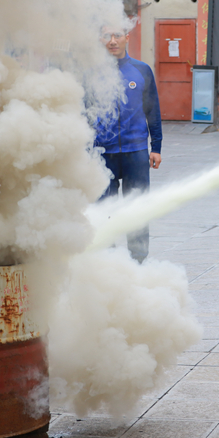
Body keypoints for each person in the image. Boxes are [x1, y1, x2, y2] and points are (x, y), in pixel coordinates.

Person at [92, 26, 163, 263]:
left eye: (117, 36)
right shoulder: (91, 72)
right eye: (106, 36)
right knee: (104, 209)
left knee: (138, 207)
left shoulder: (141, 70)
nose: (112, 41)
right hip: (102, 153)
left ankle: (138, 259)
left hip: (136, 152)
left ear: (127, 38)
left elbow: (152, 110)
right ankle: (109, 259)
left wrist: (156, 147)